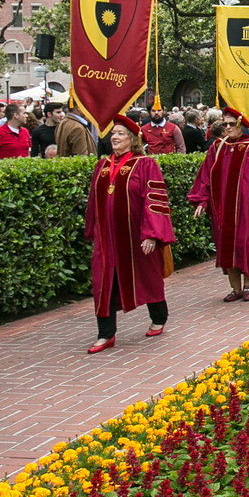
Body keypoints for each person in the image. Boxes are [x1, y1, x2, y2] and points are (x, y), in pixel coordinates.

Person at [84, 115, 173, 354]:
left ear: (133, 140)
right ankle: (105, 334)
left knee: (147, 277)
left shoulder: (145, 165)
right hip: (106, 239)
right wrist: (93, 230)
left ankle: (159, 316)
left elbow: (154, 200)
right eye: (113, 133)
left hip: (136, 236)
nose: (114, 136)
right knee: (103, 284)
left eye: (121, 133)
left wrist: (152, 234)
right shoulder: (101, 167)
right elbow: (94, 203)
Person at [187, 109, 249, 301]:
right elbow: (204, 177)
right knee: (226, 246)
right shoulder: (217, 148)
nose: (228, 128)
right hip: (222, 209)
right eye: (225, 124)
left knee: (246, 244)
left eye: (232, 124)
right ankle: (235, 288)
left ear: (241, 125)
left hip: (246, 208)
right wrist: (201, 200)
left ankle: (248, 285)